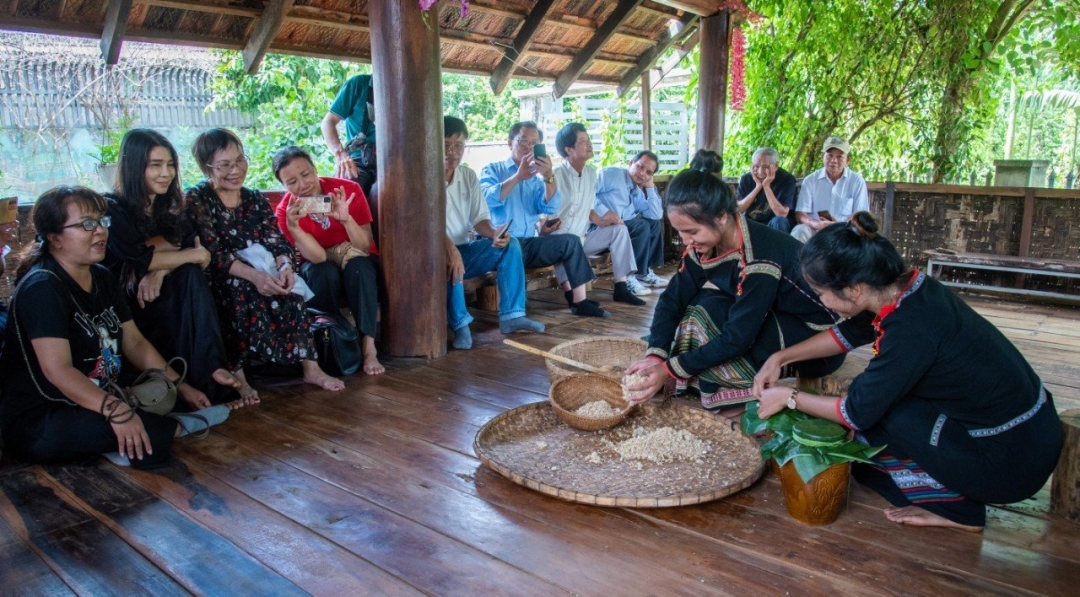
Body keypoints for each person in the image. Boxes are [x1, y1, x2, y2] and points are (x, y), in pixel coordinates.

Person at [752, 212, 1063, 532]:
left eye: (821, 293)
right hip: (1033, 434)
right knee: (871, 413)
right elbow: (846, 335)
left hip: (1011, 464)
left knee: (881, 418)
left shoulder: (910, 329)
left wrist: (789, 396)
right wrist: (780, 357)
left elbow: (855, 412)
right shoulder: (908, 290)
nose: (822, 301)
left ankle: (958, 511)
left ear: (854, 289)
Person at [0, 186, 229, 469]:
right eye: (87, 224)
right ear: (54, 238)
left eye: (101, 221)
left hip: (97, 395)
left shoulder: (101, 276)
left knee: (171, 404)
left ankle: (118, 440)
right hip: (45, 413)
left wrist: (181, 386)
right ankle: (138, 437)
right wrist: (117, 411)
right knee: (153, 431)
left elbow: (134, 343)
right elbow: (57, 370)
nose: (100, 231)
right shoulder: (43, 287)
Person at [623, 169, 845, 410]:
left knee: (712, 314)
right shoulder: (703, 246)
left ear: (721, 217)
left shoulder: (760, 257)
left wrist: (668, 370)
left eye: (692, 231)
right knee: (701, 304)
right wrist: (655, 355)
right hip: (776, 314)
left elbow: (738, 338)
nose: (685, 240)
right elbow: (672, 299)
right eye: (680, 231)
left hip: (815, 341)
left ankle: (724, 382)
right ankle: (686, 371)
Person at [102, 129, 253, 409]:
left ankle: (213, 374)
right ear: (134, 166)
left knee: (190, 275)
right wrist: (186, 255)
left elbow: (195, 249)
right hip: (129, 305)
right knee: (189, 273)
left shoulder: (169, 206)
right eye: (155, 165)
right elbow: (140, 257)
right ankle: (212, 375)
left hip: (162, 294)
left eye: (170, 164)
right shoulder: (113, 208)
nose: (166, 173)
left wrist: (160, 271)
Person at [185, 129, 345, 391]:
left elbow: (276, 240)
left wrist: (285, 267)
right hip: (223, 273)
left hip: (262, 266)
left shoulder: (254, 198)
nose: (235, 170)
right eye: (225, 165)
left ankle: (311, 369)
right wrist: (255, 277)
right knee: (239, 289)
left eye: (240, 160)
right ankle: (238, 375)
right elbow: (214, 252)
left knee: (290, 286)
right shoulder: (197, 198)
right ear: (206, 167)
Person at [272, 145, 385, 374]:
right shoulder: (286, 212)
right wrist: (294, 228)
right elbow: (319, 257)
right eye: (292, 182)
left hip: (357, 259)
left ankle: (368, 347)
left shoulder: (347, 190)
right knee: (321, 271)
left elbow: (364, 246)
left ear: (315, 170)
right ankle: (333, 341)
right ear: (284, 186)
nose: (303, 184)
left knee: (359, 267)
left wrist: (345, 219)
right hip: (321, 265)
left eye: (305, 174)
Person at [480, 121, 608, 318]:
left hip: (529, 244)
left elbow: (549, 207)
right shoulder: (493, 170)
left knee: (570, 241)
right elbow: (487, 199)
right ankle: (515, 312)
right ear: (510, 143)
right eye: (524, 141)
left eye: (535, 143)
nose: (529, 147)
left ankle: (579, 302)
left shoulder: (535, 177)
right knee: (514, 246)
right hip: (501, 244)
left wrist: (548, 176)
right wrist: (517, 177)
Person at [442, 117, 545, 350]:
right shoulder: (424, 178)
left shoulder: (468, 176)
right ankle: (460, 324)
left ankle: (512, 315)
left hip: (463, 249)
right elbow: (426, 225)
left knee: (510, 244)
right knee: (451, 261)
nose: (452, 151)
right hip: (436, 250)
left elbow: (479, 220)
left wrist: (495, 233)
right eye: (446, 144)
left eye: (458, 145)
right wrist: (450, 250)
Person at [553, 123, 644, 307]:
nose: (589, 144)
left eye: (588, 139)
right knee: (566, 240)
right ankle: (571, 294)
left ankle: (621, 287)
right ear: (569, 149)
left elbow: (589, 208)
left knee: (619, 229)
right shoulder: (555, 176)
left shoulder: (591, 173)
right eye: (583, 141)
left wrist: (603, 221)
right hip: (559, 242)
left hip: (583, 239)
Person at [596, 150, 667, 296]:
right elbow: (586, 193)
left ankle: (643, 273)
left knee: (653, 224)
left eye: (648, 172)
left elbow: (655, 215)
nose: (642, 173)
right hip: (598, 228)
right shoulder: (612, 175)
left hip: (619, 229)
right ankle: (627, 277)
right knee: (641, 226)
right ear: (631, 163)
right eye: (640, 166)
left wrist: (650, 187)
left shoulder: (636, 190)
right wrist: (604, 212)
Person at [791, 136, 868, 243]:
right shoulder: (810, 180)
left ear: (847, 160)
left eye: (839, 157)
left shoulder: (857, 182)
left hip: (844, 232)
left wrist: (839, 226)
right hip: (816, 231)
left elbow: (861, 216)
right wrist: (815, 224)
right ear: (822, 157)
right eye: (829, 155)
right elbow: (800, 214)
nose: (833, 161)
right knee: (800, 231)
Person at [322, 73, 377, 198]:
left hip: (394, 161)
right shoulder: (359, 84)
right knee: (345, 188)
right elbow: (328, 123)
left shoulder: (411, 90)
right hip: (359, 159)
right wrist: (341, 154)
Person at [735, 147, 798, 233]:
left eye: (765, 167)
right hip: (752, 224)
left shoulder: (787, 179)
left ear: (775, 166)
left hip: (774, 224)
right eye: (756, 166)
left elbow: (782, 214)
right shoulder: (746, 179)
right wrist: (758, 187)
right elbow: (738, 208)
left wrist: (766, 186)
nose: (760, 172)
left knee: (779, 221)